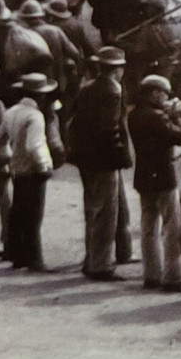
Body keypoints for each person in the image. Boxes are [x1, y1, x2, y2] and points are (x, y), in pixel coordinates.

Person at [66, 47, 133, 279]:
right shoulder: (113, 90)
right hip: (103, 159)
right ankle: (101, 264)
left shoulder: (87, 88)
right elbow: (112, 128)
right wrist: (121, 156)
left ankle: (91, 258)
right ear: (117, 70)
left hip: (85, 157)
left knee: (92, 208)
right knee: (106, 212)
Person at [128, 76, 181, 291]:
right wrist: (176, 118)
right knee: (173, 227)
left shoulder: (134, 114)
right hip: (163, 175)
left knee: (148, 226)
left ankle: (151, 274)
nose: (166, 97)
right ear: (155, 93)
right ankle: (173, 277)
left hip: (144, 175)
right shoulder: (157, 117)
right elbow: (179, 137)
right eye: (165, 93)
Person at [0, 73, 56, 270]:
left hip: (18, 168)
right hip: (33, 171)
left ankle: (17, 255)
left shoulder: (10, 112)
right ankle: (35, 259)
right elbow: (34, 145)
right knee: (34, 216)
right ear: (39, 96)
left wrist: (10, 157)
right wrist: (43, 166)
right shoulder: (35, 116)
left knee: (18, 211)